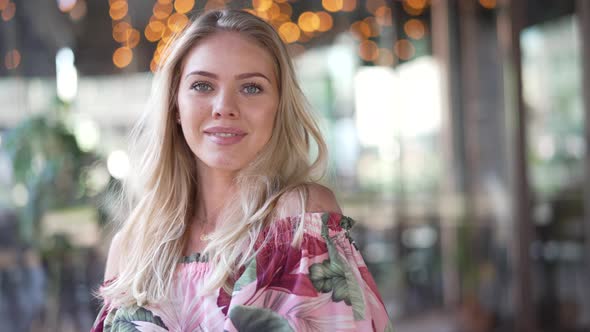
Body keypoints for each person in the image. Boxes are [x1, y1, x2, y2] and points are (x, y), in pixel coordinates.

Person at [92, 9, 392, 332]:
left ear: (278, 107)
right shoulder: (131, 247)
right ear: (175, 105)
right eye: (202, 86)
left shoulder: (300, 221)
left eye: (251, 88)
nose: (224, 106)